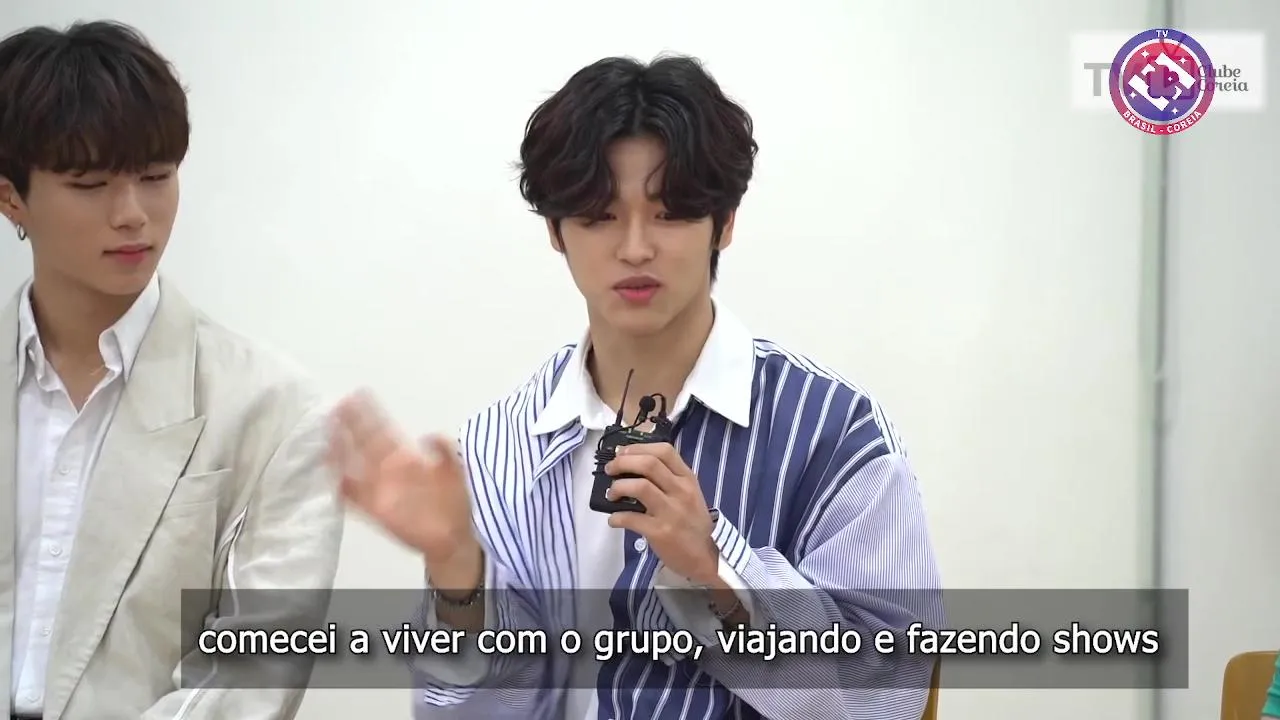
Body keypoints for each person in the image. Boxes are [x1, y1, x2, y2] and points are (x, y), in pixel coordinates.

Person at [332, 55, 942, 720]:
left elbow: (889, 697)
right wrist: (457, 567)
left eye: (669, 213)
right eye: (599, 216)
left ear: (725, 221)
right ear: (555, 232)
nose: (634, 248)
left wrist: (715, 568)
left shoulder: (835, 432)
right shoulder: (498, 448)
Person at [0, 21, 343, 720]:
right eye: (90, 183)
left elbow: (253, 676)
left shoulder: (274, 408)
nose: (133, 215)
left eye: (156, 177)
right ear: (12, 198)